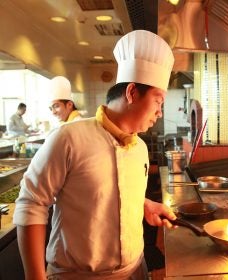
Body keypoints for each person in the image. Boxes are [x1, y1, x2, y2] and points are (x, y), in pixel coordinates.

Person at [13, 29, 177, 280]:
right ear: (132, 93)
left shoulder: (140, 148)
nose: (160, 113)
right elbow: (31, 204)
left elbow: (103, 193)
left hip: (136, 270)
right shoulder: (68, 138)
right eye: (158, 101)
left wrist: (142, 204)